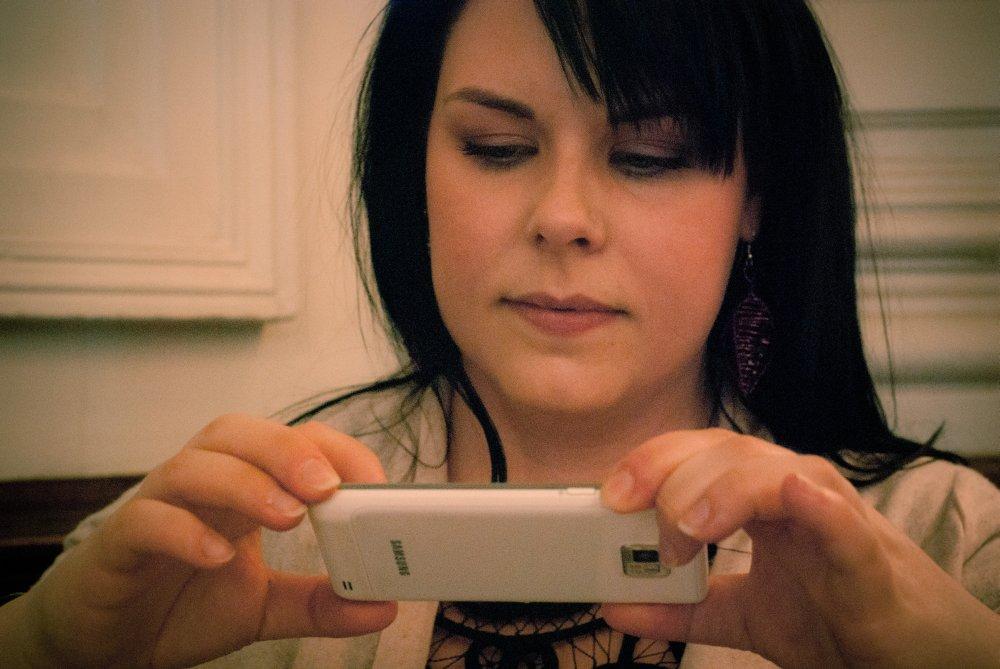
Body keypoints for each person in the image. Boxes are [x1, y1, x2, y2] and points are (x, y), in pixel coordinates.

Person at [1, 1, 998, 667]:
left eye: (649, 155)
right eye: (497, 147)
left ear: (756, 197)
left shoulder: (942, 545)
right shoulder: (236, 541)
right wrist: (43, 649)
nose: (562, 216)